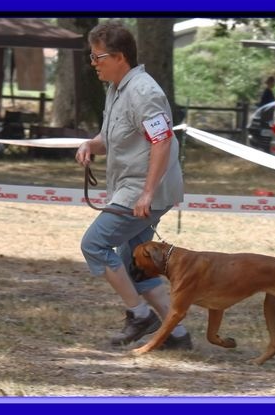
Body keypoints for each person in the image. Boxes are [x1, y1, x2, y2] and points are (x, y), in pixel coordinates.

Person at [75, 21, 191, 350]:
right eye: (92, 57)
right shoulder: (117, 89)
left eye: (98, 57)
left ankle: (139, 315)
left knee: (94, 244)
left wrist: (147, 193)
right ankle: (177, 334)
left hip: (144, 190)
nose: (93, 63)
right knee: (134, 261)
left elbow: (162, 141)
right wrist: (89, 145)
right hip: (133, 187)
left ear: (120, 57)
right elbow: (111, 139)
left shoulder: (144, 92)